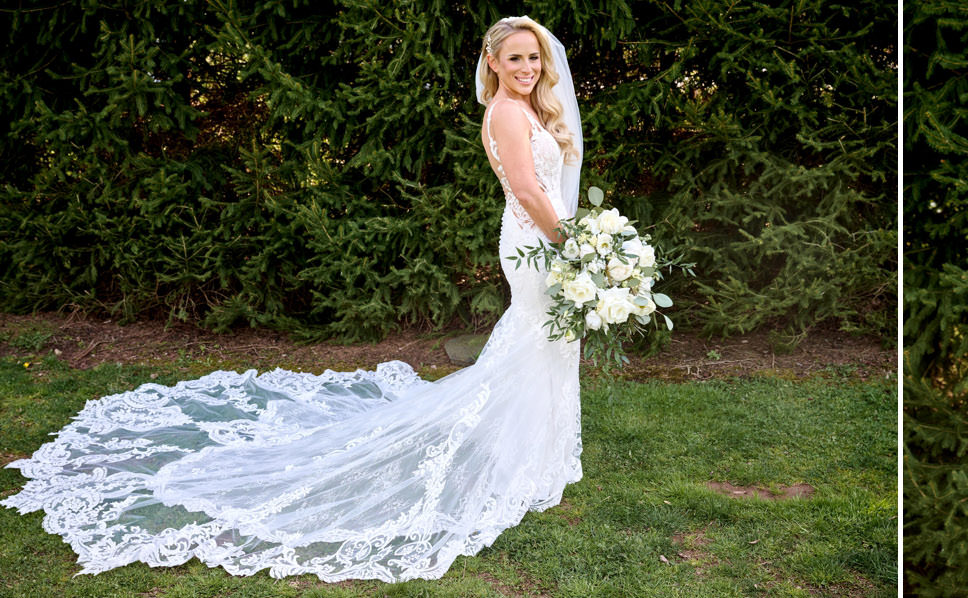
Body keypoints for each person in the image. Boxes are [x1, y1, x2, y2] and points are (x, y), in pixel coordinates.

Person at [1, 16, 586, 583]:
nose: (529, 67)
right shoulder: (507, 112)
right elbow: (531, 190)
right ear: (492, 62)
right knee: (539, 340)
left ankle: (535, 456)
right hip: (538, 243)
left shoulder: (529, 106)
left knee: (547, 341)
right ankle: (523, 462)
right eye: (516, 58)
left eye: (534, 58)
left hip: (543, 239)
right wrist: (575, 245)